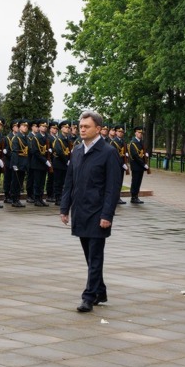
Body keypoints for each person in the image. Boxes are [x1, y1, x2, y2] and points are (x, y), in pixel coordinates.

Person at [61, 110, 123, 312]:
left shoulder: (108, 152)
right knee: (89, 255)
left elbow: (113, 187)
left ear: (98, 129)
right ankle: (100, 290)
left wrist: (107, 215)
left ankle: (88, 296)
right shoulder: (77, 151)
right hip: (80, 211)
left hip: (98, 213)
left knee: (95, 256)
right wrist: (64, 208)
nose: (82, 129)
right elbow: (69, 182)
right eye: (81, 126)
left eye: (87, 126)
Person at [127, 127, 149, 203]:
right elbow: (135, 155)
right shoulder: (132, 143)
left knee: (139, 181)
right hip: (136, 165)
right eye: (139, 133)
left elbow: (144, 150)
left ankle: (136, 196)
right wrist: (143, 164)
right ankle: (133, 197)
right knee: (135, 181)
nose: (140, 134)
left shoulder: (141, 142)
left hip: (140, 166)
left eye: (141, 133)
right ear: (135, 133)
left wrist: (146, 154)